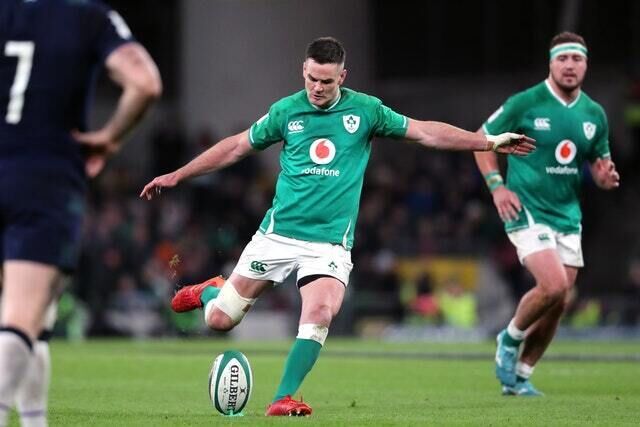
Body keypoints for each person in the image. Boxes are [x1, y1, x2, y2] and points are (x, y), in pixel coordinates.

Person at [140, 36, 534, 416]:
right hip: (277, 235)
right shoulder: (286, 111)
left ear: (342, 77)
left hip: (328, 244)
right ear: (304, 71)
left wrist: (488, 142)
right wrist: (179, 174)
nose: (317, 88)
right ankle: (212, 291)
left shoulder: (366, 111)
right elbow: (236, 146)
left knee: (321, 311)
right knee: (220, 320)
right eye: (312, 78)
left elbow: (426, 132)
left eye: (326, 81)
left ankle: (283, 397)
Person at [0, 1, 162, 426]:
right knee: (23, 316)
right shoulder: (87, 16)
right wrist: (111, 137)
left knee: (34, 320)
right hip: (41, 176)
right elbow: (144, 83)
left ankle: (34, 421)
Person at [474, 31, 620, 396]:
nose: (570, 66)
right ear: (551, 63)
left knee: (559, 301)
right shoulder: (526, 102)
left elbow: (601, 165)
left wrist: (604, 178)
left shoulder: (594, 114)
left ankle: (521, 376)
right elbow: (481, 140)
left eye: (577, 59)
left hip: (567, 215)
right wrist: (497, 186)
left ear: (586, 65)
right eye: (563, 59)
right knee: (553, 285)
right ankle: (509, 339)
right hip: (525, 207)